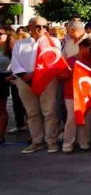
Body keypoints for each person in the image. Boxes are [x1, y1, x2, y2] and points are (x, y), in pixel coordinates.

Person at [10, 17, 61, 154]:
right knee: (32, 113)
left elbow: (54, 60)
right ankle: (37, 141)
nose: (42, 29)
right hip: (24, 80)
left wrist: (37, 75)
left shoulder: (53, 42)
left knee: (49, 111)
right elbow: (15, 62)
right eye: (38, 26)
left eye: (45, 27)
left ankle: (51, 141)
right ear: (30, 27)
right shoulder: (20, 44)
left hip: (46, 80)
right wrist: (25, 76)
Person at [59, 38, 91, 153]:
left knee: (87, 119)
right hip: (72, 95)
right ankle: (67, 144)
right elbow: (60, 76)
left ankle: (84, 142)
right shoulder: (69, 60)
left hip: (88, 95)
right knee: (71, 119)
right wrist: (70, 73)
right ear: (82, 48)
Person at [0, 27, 16, 145]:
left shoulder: (11, 49)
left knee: (1, 109)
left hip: (2, 79)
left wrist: (10, 77)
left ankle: (0, 135)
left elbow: (18, 65)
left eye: (1, 33)